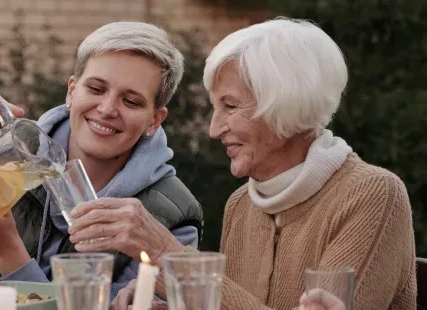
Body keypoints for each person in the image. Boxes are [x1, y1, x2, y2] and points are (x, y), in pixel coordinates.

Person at [70, 18, 414, 309]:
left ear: (286, 107)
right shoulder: (242, 204)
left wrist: (165, 253)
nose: (214, 129)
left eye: (231, 107)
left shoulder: (372, 195)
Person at [0, 22, 203, 299]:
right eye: (96, 89)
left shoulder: (173, 221)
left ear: (154, 120)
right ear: (72, 90)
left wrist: (8, 252)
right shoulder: (9, 151)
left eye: (130, 101)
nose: (107, 109)